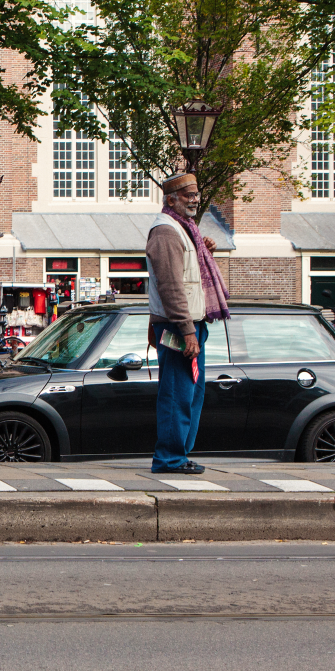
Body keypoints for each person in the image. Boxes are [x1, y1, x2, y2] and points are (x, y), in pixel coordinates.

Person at [146, 171, 230, 475]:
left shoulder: (184, 229)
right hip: (179, 327)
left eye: (196, 195)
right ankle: (169, 459)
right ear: (171, 200)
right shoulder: (167, 231)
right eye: (188, 196)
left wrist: (203, 252)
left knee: (189, 393)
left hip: (189, 325)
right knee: (176, 393)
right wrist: (187, 330)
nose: (195, 200)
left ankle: (178, 455)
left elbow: (186, 276)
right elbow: (171, 286)